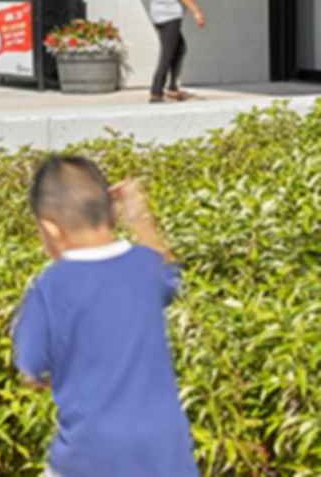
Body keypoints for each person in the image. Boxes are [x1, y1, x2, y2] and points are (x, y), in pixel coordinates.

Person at [13, 153, 198, 476]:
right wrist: (140, 218)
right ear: (110, 210)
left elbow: (31, 369)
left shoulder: (51, 287)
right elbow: (170, 274)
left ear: (50, 229)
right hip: (169, 456)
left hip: (90, 457)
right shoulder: (145, 267)